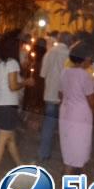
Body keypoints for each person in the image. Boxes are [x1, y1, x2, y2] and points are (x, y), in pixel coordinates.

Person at [0, 30, 35, 185]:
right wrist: (25, 83)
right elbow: (13, 86)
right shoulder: (12, 63)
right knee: (2, 139)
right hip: (8, 105)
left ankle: (20, 166)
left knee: (10, 138)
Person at [58, 41, 94, 175]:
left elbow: (61, 94)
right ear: (86, 58)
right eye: (91, 58)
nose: (91, 62)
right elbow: (92, 102)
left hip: (66, 113)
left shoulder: (64, 72)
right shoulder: (84, 75)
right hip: (80, 116)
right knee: (82, 150)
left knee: (69, 151)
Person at [38, 31, 71, 161]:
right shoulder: (70, 55)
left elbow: (43, 74)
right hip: (65, 96)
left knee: (48, 125)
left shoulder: (49, 53)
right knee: (66, 127)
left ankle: (43, 153)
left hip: (50, 94)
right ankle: (68, 157)